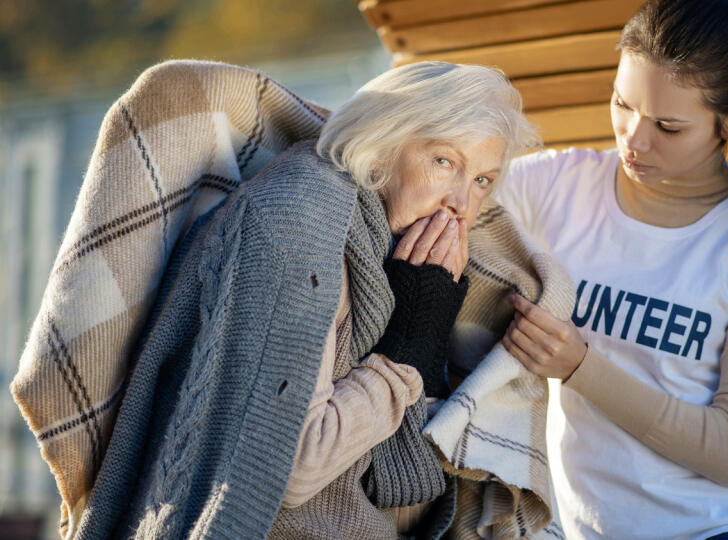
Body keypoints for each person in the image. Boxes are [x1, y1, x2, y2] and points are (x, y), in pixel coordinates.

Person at [75, 61, 539, 539]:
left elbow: (405, 495)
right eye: (445, 162)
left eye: (482, 180)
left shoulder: (400, 258)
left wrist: (426, 332)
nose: (460, 204)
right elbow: (290, 468)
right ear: (382, 143)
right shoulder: (301, 223)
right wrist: (406, 356)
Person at [495, 1, 728, 538]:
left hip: (719, 529)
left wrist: (580, 368)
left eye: (668, 126)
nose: (634, 140)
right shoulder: (558, 186)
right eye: (622, 103)